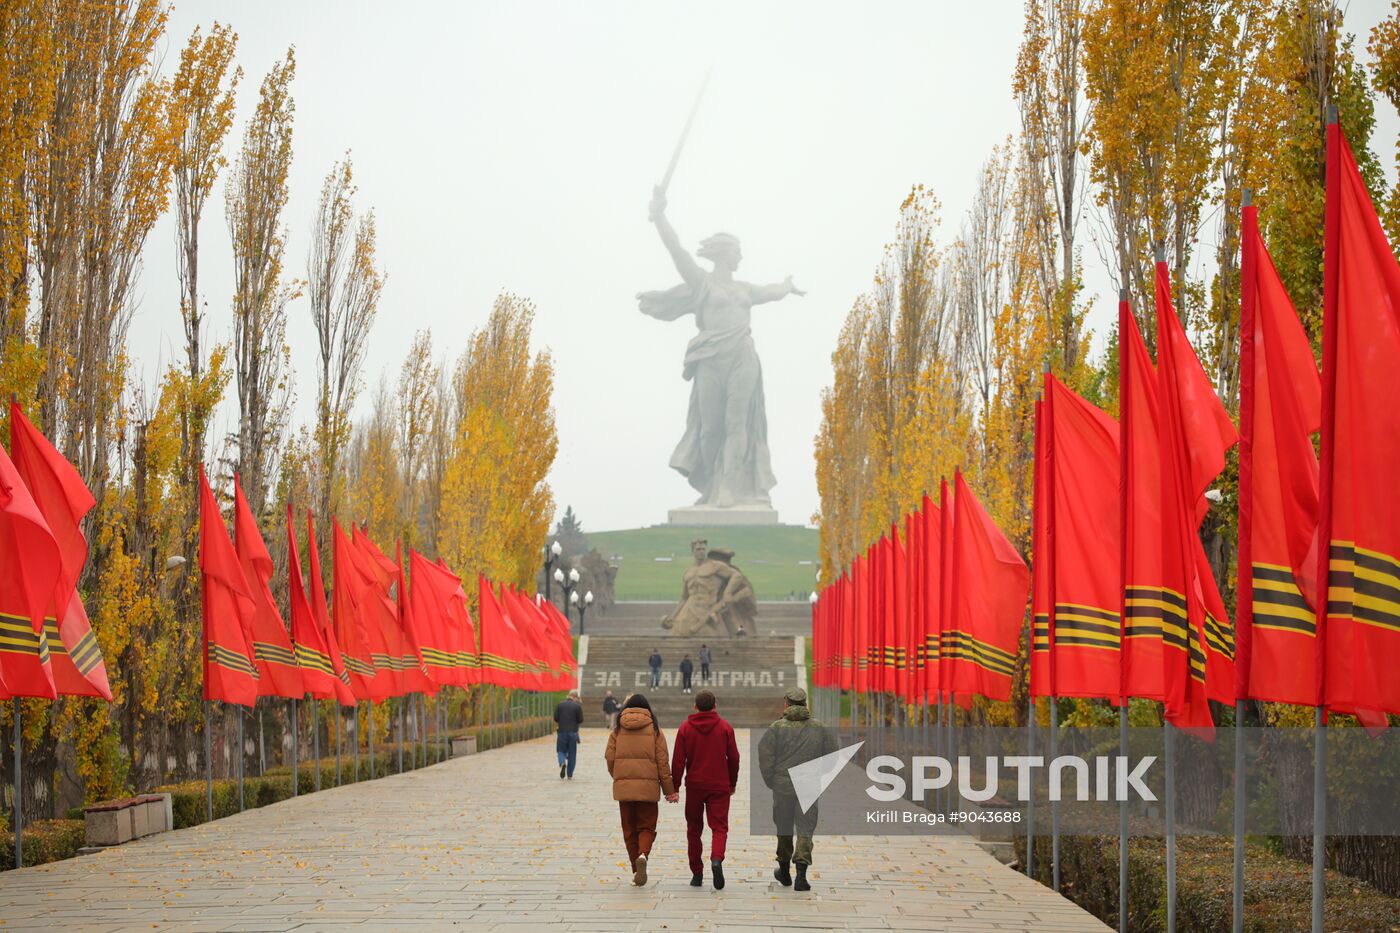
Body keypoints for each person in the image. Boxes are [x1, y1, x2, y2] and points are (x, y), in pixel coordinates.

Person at [758, 687, 837, 892]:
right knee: (805, 829)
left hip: (783, 787)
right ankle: (801, 875)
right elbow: (833, 758)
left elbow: (765, 758)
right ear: (805, 704)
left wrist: (771, 781)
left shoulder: (776, 728)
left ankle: (784, 871)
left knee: (783, 828)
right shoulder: (820, 728)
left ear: (786, 704)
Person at [605, 694, 678, 886]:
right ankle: (643, 855)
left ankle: (636, 869)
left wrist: (619, 776)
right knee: (646, 826)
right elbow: (663, 762)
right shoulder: (655, 730)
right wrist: (669, 790)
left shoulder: (617, 729)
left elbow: (609, 757)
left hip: (625, 789)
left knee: (629, 830)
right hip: (648, 789)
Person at [671, 689, 740, 890]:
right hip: (719, 785)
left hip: (694, 785)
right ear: (715, 706)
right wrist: (732, 782)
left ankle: (697, 873)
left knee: (694, 829)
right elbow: (734, 758)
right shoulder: (725, 727)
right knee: (719, 827)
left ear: (695, 707)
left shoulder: (685, 728)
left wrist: (674, 787)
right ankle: (717, 859)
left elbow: (678, 761)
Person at [553, 690, 584, 780]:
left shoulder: (560, 705)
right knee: (572, 753)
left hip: (562, 731)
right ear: (575, 697)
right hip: (573, 732)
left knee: (560, 750)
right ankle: (569, 774)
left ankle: (562, 762)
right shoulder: (577, 706)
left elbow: (555, 718)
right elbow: (580, 720)